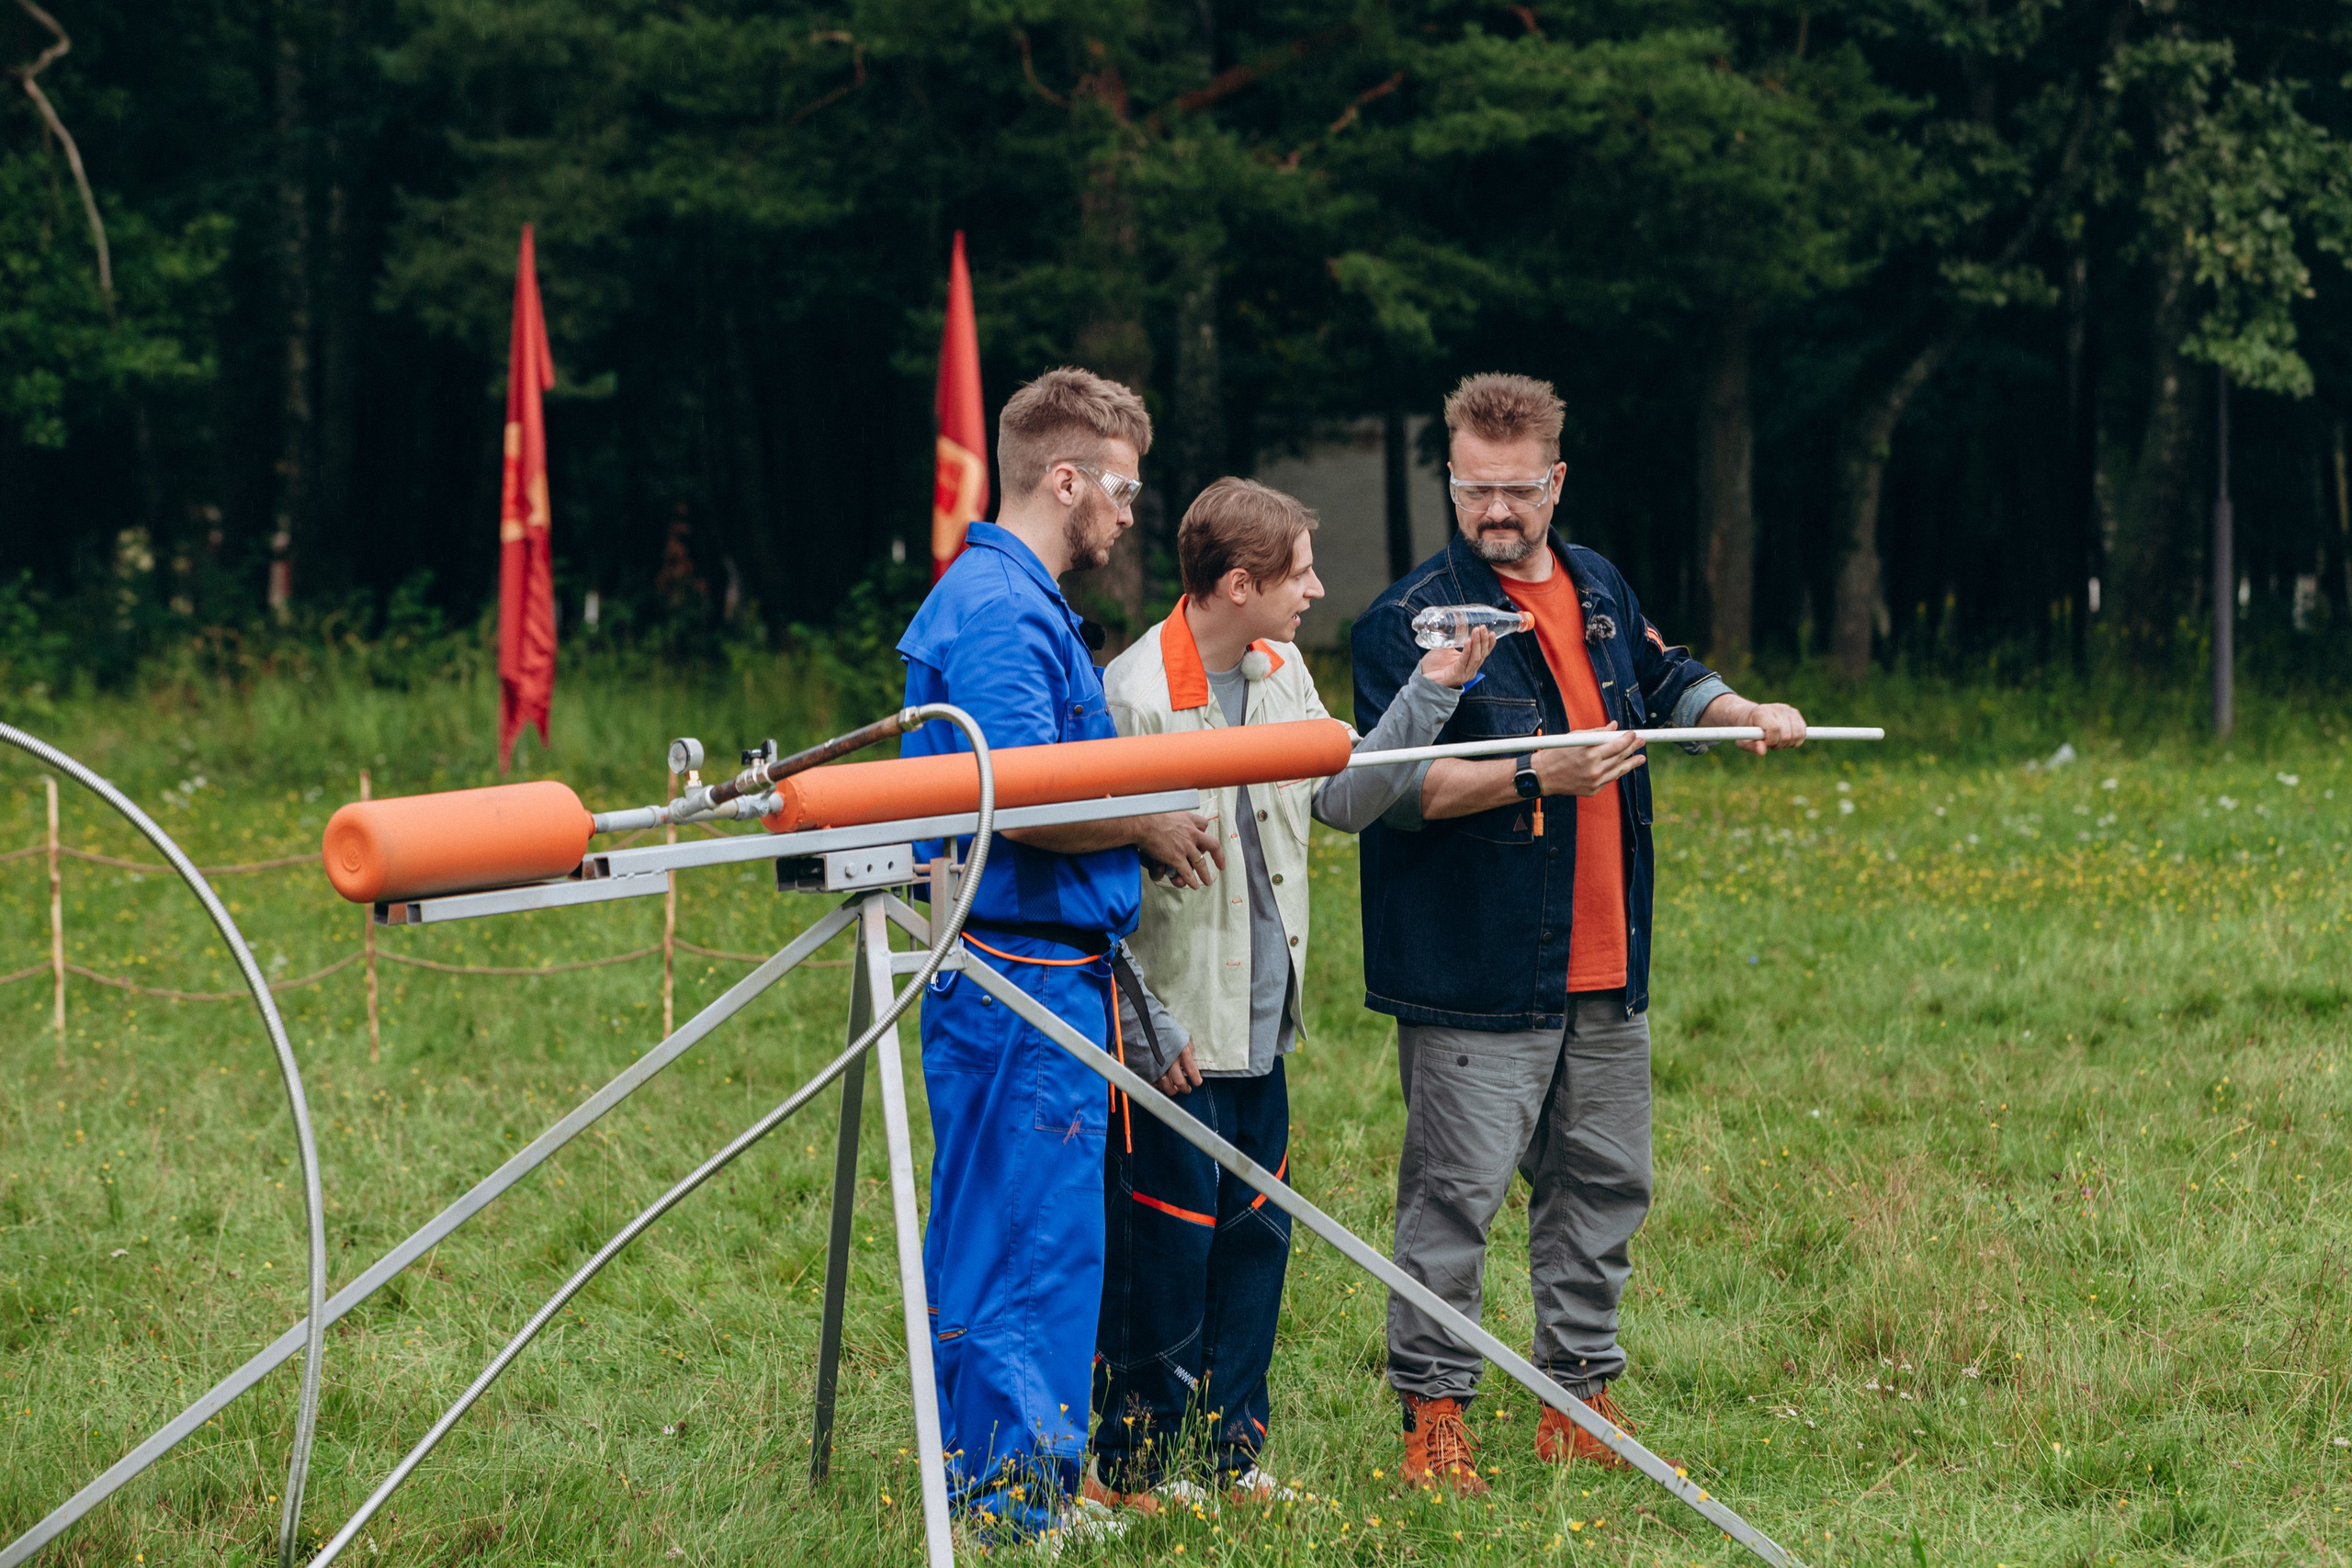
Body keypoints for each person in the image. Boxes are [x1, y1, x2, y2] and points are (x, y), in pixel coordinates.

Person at [1351, 373, 1807, 1492]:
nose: (1495, 511)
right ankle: (1433, 1415)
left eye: (1516, 490)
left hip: (1604, 960)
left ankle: (1577, 1399)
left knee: (1603, 1188)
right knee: (1453, 1199)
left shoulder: (1596, 583)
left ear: (1555, 481)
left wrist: (1740, 713)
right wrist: (1532, 774)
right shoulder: (1408, 621)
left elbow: (1665, 675)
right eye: (1474, 490)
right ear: (1449, 478)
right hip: (1476, 967)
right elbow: (1389, 793)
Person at [1090, 478, 1495, 1506]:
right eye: (1299, 574)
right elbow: (1093, 885)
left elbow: (1345, 798)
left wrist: (1432, 688)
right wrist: (1142, 1021)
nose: (1315, 590)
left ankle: (1230, 1460)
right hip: (1174, 1038)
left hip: (1262, 1026)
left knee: (1254, 1243)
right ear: (1239, 584)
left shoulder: (1281, 668)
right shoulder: (1136, 695)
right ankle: (1136, 1468)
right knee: (1163, 1251)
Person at [897, 366, 1209, 1541]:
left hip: (1032, 965)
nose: (1130, 515)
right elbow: (1017, 798)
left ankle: (1005, 1483)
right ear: (1064, 479)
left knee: (1012, 1231)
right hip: (1018, 971)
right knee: (1031, 1240)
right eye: (1121, 490)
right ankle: (1015, 1506)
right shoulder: (1003, 612)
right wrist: (1142, 821)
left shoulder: (1010, 596)